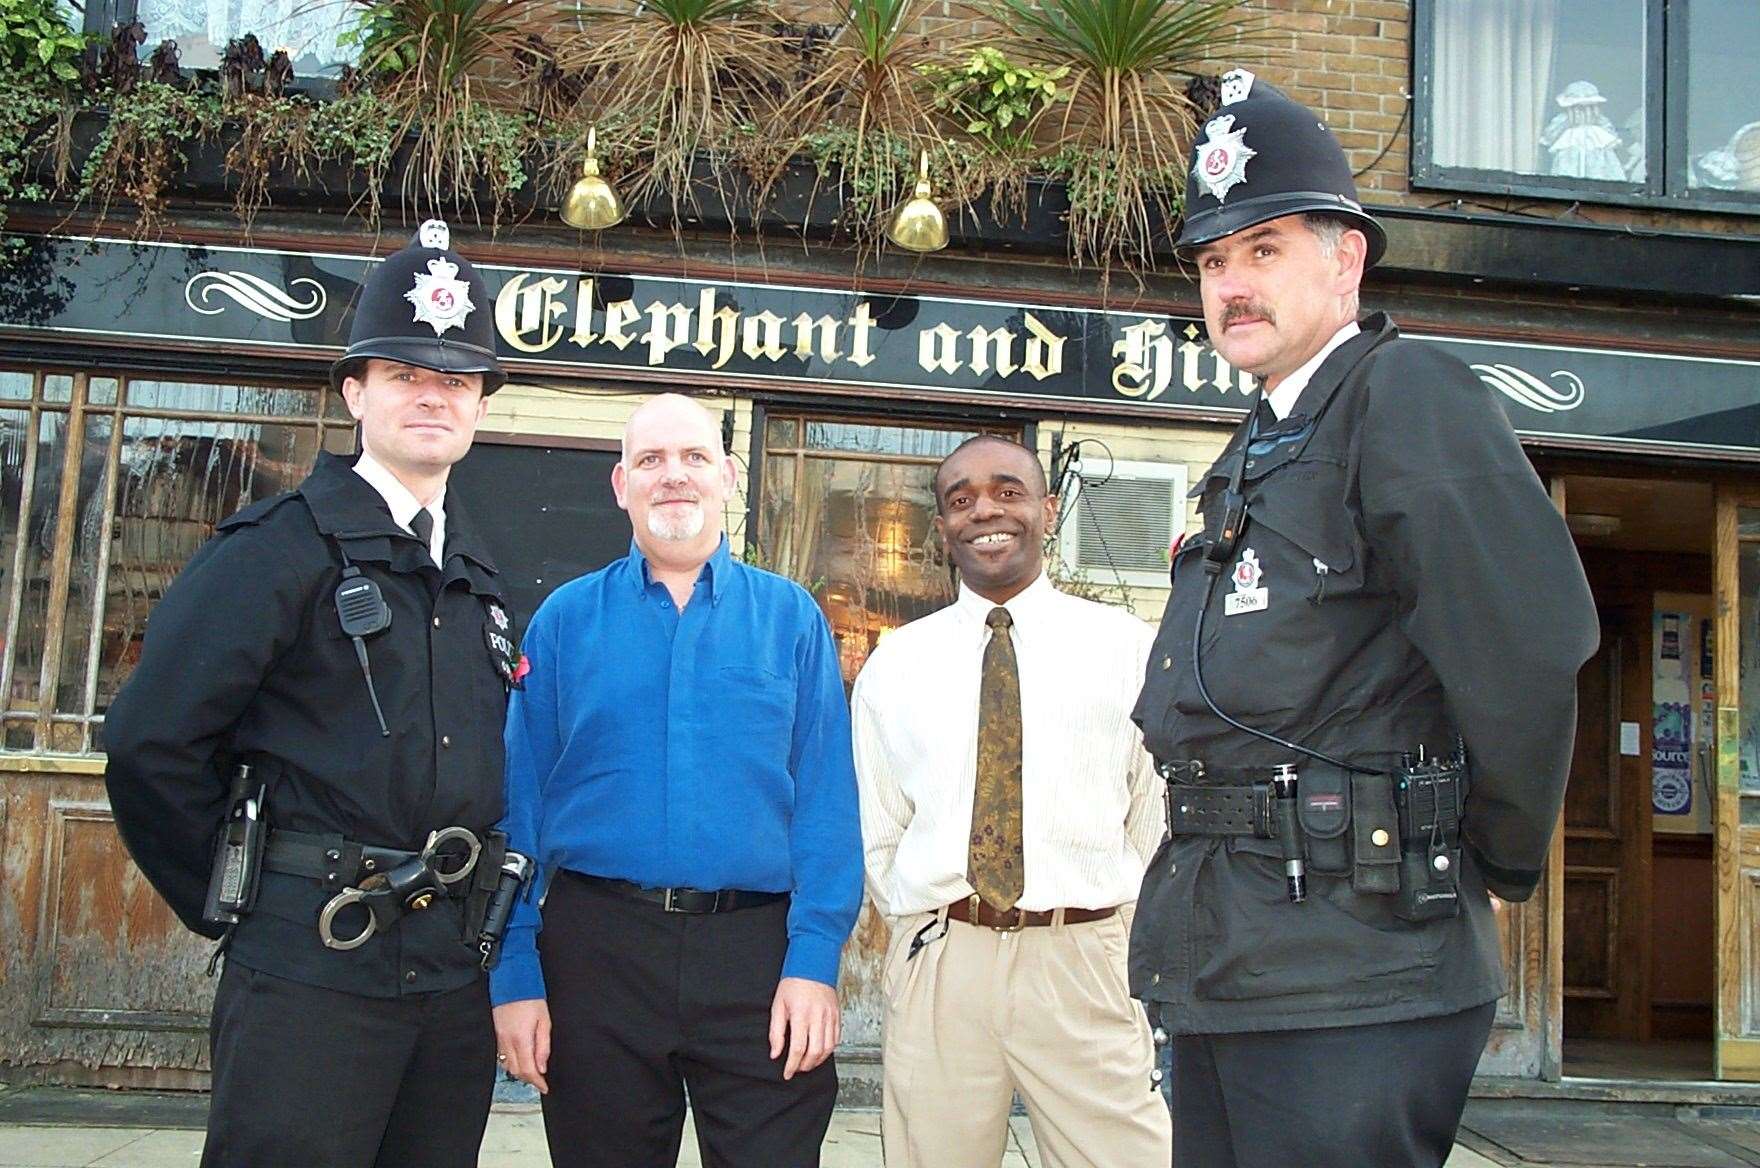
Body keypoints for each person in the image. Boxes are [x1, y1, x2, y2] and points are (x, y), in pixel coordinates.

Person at [1130, 71, 1599, 1167]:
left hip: (1354, 962)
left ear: (1344, 259)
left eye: (1262, 249)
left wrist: (1483, 856)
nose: (1229, 284)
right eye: (1211, 260)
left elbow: (1525, 646)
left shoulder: (1404, 397)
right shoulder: (1261, 442)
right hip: (1235, 954)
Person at [104, 220, 518, 1168]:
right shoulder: (278, 548)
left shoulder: (482, 572)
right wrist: (239, 903)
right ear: (353, 391)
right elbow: (149, 744)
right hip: (310, 972)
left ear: (481, 407)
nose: (433, 395)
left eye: (456, 379)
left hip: (450, 981)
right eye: (407, 373)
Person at [490, 393, 863, 1168]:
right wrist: (515, 972)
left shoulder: (790, 619)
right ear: (620, 484)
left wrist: (815, 962)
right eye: (650, 461)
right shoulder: (564, 621)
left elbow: (827, 800)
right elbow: (515, 802)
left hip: (759, 959)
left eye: (694, 458)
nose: (674, 477)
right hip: (597, 955)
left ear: (728, 476)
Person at [851, 435, 1172, 1168]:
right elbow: (879, 832)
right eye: (959, 500)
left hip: (1083, 958)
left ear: (1048, 509)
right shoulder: (896, 666)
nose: (984, 511)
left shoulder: (1126, 649)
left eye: (1007, 490)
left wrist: (1116, 937)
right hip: (944, 961)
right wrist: (919, 937)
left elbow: (1154, 816)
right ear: (941, 530)